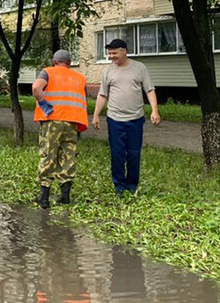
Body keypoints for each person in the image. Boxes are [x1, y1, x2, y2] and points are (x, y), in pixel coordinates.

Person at [92, 38, 161, 195]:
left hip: (136, 119)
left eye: (114, 53)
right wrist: (96, 115)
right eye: (109, 53)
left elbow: (149, 90)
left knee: (134, 153)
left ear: (124, 51)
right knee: (117, 154)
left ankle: (132, 185)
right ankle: (119, 186)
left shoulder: (139, 68)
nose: (111, 56)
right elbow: (102, 94)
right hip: (115, 120)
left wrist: (155, 111)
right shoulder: (108, 71)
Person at [32, 49, 89, 209]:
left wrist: (43, 103)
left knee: (48, 154)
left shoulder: (47, 72)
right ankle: (65, 197)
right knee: (68, 155)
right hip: (72, 122)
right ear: (70, 63)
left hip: (52, 121)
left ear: (53, 61)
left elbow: (36, 88)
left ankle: (44, 198)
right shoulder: (80, 78)